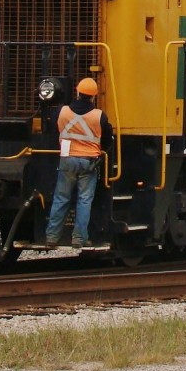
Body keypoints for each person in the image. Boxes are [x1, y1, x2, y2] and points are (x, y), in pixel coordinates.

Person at [45, 77, 114, 249]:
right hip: (88, 162)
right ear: (93, 96)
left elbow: (52, 128)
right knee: (84, 200)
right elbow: (107, 138)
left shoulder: (62, 112)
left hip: (67, 159)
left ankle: (52, 237)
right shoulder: (99, 116)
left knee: (61, 198)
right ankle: (79, 239)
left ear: (77, 92)